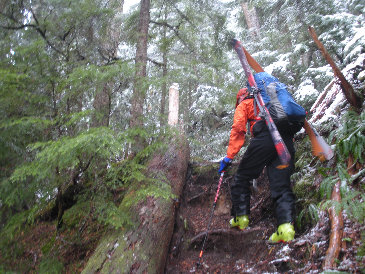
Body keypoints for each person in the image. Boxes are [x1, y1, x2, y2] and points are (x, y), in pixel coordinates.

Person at [218, 87, 296, 243]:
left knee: (242, 177)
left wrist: (229, 156)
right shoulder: (274, 101)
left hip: (266, 139)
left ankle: (241, 219)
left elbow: (239, 129)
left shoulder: (246, 103)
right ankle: (285, 229)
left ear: (240, 97)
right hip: (286, 141)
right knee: (281, 185)